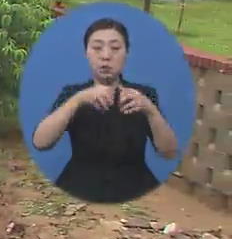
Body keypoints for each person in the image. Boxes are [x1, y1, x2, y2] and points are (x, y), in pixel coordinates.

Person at [31, 18, 179, 203]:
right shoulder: (73, 94)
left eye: (115, 48)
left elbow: (169, 152)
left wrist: (150, 110)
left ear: (126, 53)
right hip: (79, 188)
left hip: (136, 189)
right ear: (87, 53)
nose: (106, 56)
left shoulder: (143, 95)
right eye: (97, 48)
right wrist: (77, 101)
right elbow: (40, 142)